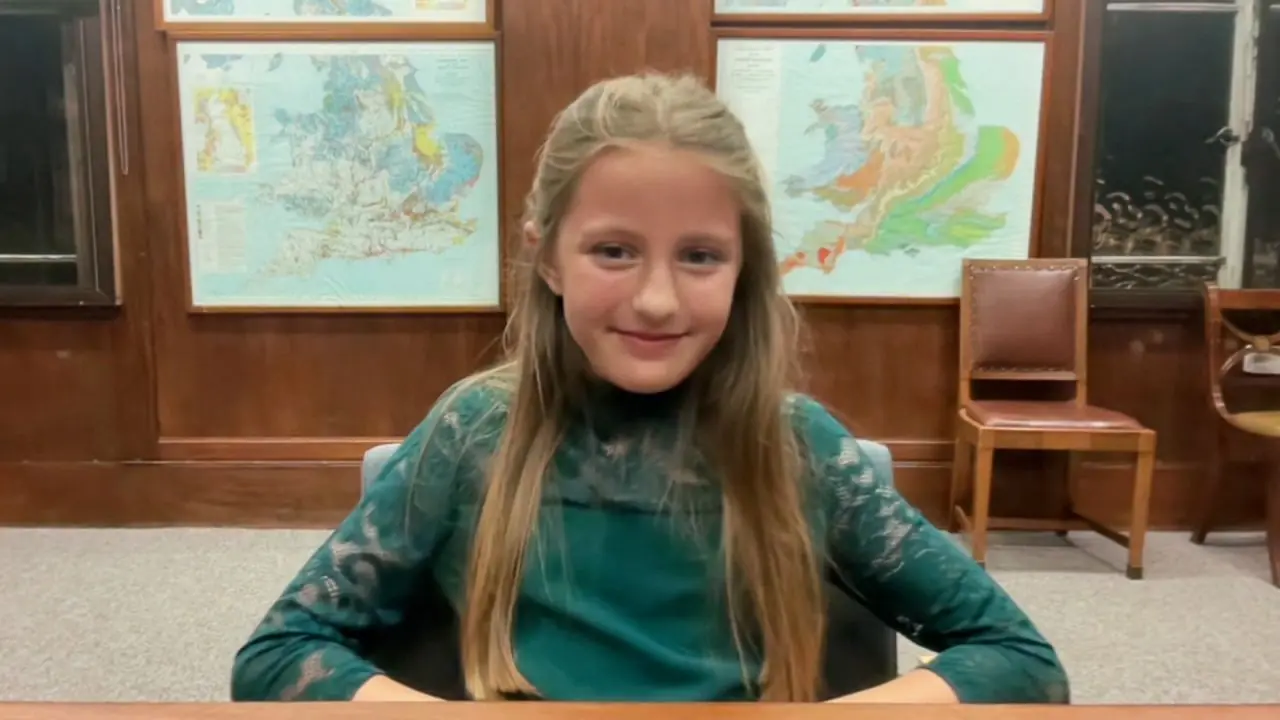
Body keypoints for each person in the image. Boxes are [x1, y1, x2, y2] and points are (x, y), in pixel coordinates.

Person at [229, 72, 1069, 705]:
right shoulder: (475, 431)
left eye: (699, 256)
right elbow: (277, 654)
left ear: (743, 270)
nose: (658, 300)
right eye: (614, 251)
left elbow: (1019, 660)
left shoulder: (800, 449)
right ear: (547, 257)